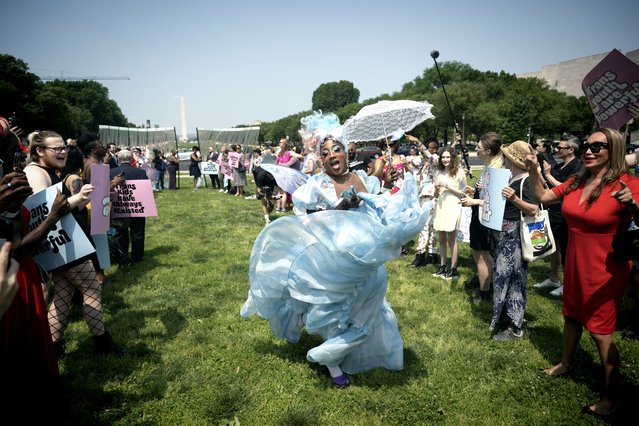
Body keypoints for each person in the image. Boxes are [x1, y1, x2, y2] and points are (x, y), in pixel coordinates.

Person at [241, 135, 429, 388]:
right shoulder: (317, 183)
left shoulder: (364, 179)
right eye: (326, 152)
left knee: (368, 306)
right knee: (333, 309)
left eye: (337, 149)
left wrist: (389, 190)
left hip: (367, 255)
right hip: (334, 255)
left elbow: (378, 210)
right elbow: (308, 217)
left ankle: (329, 334)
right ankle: (331, 361)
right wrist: (342, 206)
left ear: (346, 154)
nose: (332, 155)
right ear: (322, 159)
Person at [526, 128, 639, 417]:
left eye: (597, 147)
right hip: (574, 263)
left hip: (606, 269)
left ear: (613, 150)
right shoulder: (578, 180)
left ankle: (611, 396)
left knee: (601, 333)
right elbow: (542, 194)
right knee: (572, 316)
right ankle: (566, 363)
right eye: (587, 146)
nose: (588, 151)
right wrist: (533, 169)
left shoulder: (629, 183)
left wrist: (633, 205)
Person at [23, 130, 121, 357]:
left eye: (64, 148)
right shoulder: (35, 172)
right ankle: (102, 344)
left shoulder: (47, 170)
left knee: (64, 295)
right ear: (39, 151)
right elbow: (44, 210)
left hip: (62, 241)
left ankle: (52, 347)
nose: (62, 152)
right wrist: (77, 198)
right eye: (55, 149)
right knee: (92, 289)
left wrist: (82, 197)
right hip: (61, 242)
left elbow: (62, 208)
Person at [533, 134, 583, 296]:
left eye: (560, 147)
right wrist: (540, 173)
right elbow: (548, 187)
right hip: (554, 212)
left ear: (571, 150)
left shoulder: (578, 167)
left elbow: (566, 189)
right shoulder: (559, 166)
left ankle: (568, 284)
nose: (556, 149)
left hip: (566, 213)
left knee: (567, 249)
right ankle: (554, 278)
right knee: (555, 247)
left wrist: (547, 174)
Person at [460, 132, 504, 302]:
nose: (476, 148)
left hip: (484, 219)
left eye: (479, 146)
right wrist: (475, 191)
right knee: (482, 255)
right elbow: (487, 192)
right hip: (481, 216)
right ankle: (487, 285)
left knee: (481, 256)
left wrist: (474, 201)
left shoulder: (495, 170)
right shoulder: (489, 167)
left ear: (488, 150)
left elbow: (495, 201)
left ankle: (484, 292)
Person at [431, 146, 467, 280]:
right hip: (440, 205)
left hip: (453, 205)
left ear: (452, 158)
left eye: (448, 157)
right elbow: (435, 195)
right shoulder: (438, 172)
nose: (445, 160)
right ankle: (442, 266)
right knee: (441, 238)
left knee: (451, 239)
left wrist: (447, 185)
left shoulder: (459, 172)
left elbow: (464, 192)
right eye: (443, 157)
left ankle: (453, 268)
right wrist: (436, 188)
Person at [110, 149, 149, 266]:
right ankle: (137, 256)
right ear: (131, 158)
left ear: (118, 159)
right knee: (138, 232)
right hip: (137, 208)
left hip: (118, 208)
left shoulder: (111, 172)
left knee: (121, 233)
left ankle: (122, 257)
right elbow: (146, 191)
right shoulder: (140, 172)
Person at [405, 135, 439, 267]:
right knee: (429, 226)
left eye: (435, 148)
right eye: (431, 147)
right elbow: (414, 164)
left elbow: (428, 157)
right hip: (423, 196)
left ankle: (420, 255)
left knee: (425, 226)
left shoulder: (435, 158)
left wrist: (418, 142)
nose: (433, 150)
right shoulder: (423, 161)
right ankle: (432, 254)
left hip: (430, 196)